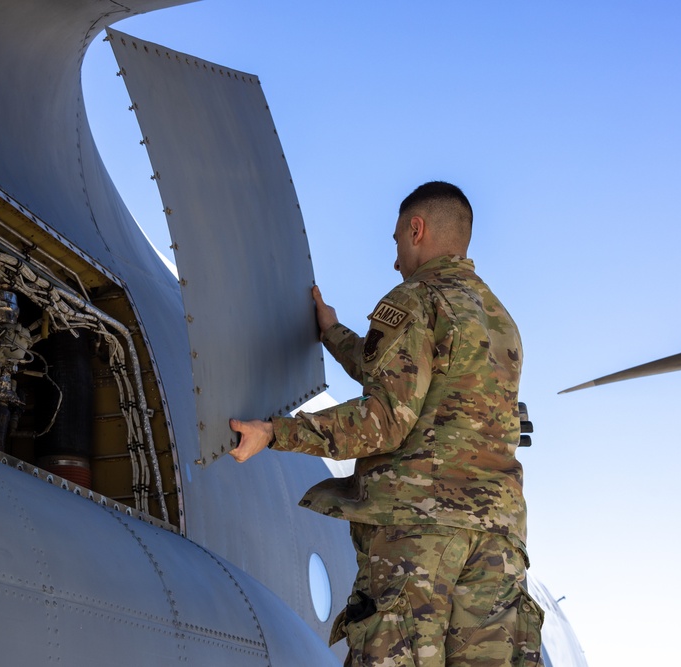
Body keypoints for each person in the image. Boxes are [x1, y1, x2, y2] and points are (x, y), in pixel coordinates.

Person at [229, 182, 543, 666]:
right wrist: (333, 333)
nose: (396, 259)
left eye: (397, 240)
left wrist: (275, 433)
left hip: (420, 534)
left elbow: (384, 421)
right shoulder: (500, 321)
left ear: (416, 229)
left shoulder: (417, 298)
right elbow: (407, 378)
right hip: (499, 542)